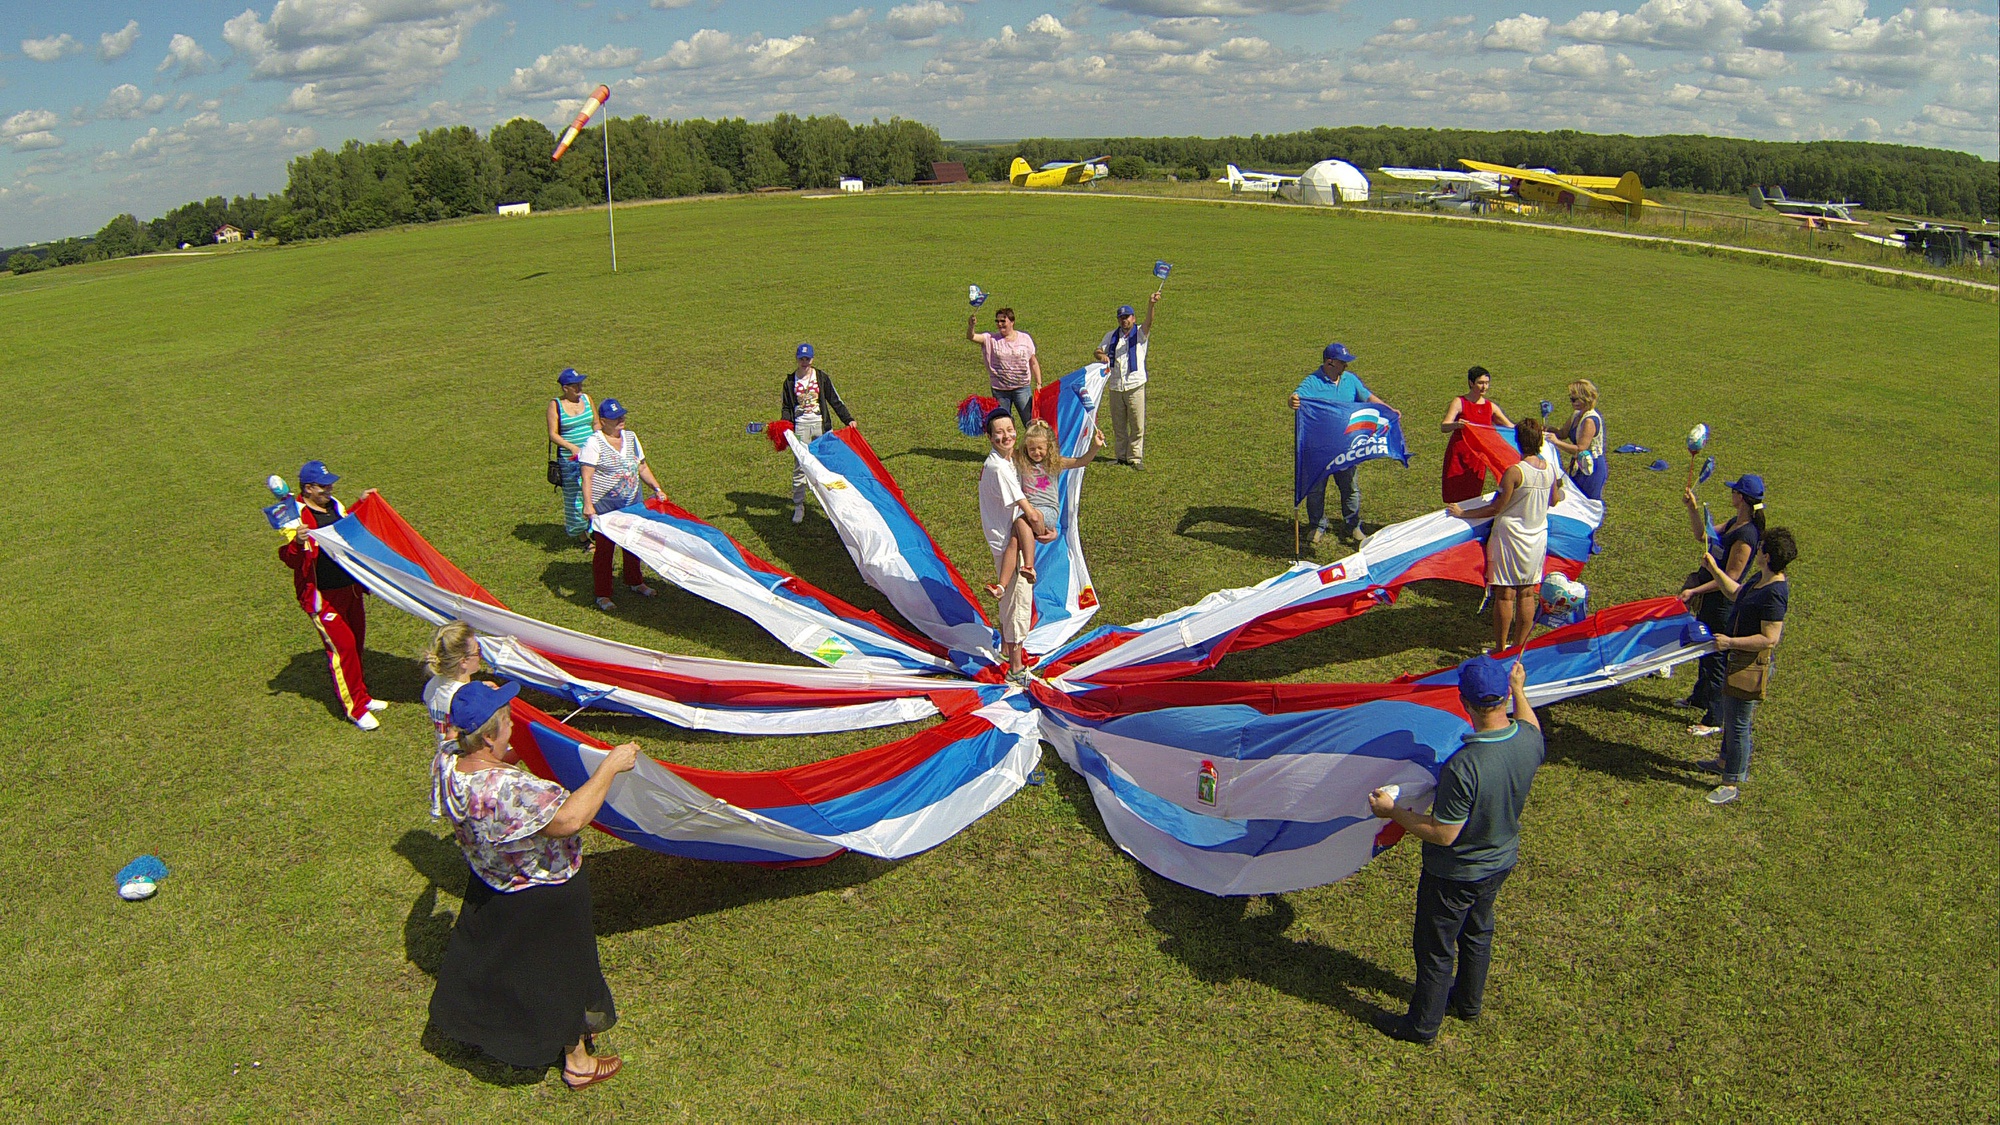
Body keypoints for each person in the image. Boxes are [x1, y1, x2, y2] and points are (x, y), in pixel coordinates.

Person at [427, 680, 638, 1088]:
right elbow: (571, 820)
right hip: (546, 894)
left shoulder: (448, 762)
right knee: (564, 972)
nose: (511, 727)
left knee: (509, 964)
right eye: (506, 721)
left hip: (491, 881)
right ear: (488, 736)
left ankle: (492, 1022)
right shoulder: (516, 792)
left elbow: (496, 763)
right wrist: (610, 766)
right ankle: (578, 1062)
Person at [1370, 655, 1543, 1044]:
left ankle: (1422, 1026)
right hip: (1500, 861)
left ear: (1464, 703)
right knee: (1478, 930)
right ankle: (1467, 1003)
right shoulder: (1529, 740)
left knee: (1435, 949)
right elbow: (1530, 721)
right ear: (1502, 698)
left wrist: (1393, 812)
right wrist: (1519, 689)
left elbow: (1443, 834)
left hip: (1455, 873)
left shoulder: (1464, 767)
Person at [277, 459, 386, 730]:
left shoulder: (333, 504)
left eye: (330, 484)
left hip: (350, 589)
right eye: (324, 486)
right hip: (324, 596)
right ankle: (355, 709)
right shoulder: (297, 515)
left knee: (356, 643)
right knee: (343, 649)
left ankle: (361, 694)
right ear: (309, 488)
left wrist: (361, 504)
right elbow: (289, 558)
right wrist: (298, 542)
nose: (330, 488)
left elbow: (345, 528)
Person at [1447, 417, 1564, 654]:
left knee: (1505, 593)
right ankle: (1519, 647)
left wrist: (1463, 513)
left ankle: (1501, 648)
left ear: (1519, 442)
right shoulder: (1550, 469)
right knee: (1528, 591)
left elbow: (1496, 508)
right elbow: (1554, 500)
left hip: (1510, 536)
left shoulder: (1515, 472)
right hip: (1537, 535)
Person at [1695, 527, 1794, 803]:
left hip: (1749, 666)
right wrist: (1715, 569)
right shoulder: (1760, 580)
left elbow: (1770, 639)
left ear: (1767, 556)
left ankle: (1731, 782)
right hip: (1736, 660)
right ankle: (1724, 762)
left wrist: (1730, 643)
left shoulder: (1775, 592)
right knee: (1731, 717)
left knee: (1738, 724)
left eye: (1761, 548)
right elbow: (1736, 594)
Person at [1677, 474, 1765, 736]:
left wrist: (1694, 589)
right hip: (1710, 601)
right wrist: (1693, 509)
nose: (1731, 495)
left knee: (1716, 658)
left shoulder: (1746, 536)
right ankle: (1699, 698)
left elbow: (1730, 580)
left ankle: (1715, 717)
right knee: (1704, 651)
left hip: (1722, 605)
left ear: (1742, 499)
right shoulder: (1734, 524)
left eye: (1734, 491)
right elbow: (1702, 536)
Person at [988, 419, 1105, 599]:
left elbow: (1082, 461)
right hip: (1029, 513)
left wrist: (1095, 447)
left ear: (1049, 447)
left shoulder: (1054, 462)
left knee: (1022, 520)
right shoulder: (1022, 460)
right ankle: (1001, 587)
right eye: (1032, 448)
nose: (1036, 452)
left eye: (1041, 448)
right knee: (1013, 541)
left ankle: (1029, 566)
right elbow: (1007, 447)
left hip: (1047, 511)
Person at [1290, 342, 1394, 545]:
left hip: (1346, 446)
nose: (1346, 366)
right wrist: (1292, 400)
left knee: (1350, 487)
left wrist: (1388, 409)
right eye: (1342, 362)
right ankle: (1317, 525)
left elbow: (1368, 397)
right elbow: (1296, 397)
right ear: (1330, 363)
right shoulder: (1312, 382)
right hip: (1319, 448)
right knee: (1316, 489)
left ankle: (1353, 524)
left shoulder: (1350, 380)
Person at [577, 398, 667, 612]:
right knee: (605, 552)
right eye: (616, 418)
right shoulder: (594, 443)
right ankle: (603, 594)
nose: (621, 420)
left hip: (631, 505)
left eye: (622, 416)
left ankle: (635, 581)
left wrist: (657, 488)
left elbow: (642, 467)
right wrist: (588, 505)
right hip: (606, 509)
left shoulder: (631, 438)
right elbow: (587, 476)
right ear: (603, 420)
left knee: (633, 544)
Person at [978, 412, 1037, 683]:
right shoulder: (999, 468)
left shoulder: (1002, 461)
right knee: (1018, 604)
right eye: (999, 433)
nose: (1007, 436)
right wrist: (1042, 528)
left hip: (1003, 539)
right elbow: (1025, 508)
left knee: (1008, 600)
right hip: (1007, 542)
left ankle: (1004, 649)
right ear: (989, 437)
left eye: (1010, 429)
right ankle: (1015, 667)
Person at [779, 343, 857, 524]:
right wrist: (786, 427)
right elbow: (786, 407)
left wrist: (848, 419)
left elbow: (834, 400)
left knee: (827, 468)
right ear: (796, 359)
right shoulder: (790, 381)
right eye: (801, 359)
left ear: (812, 359)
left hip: (821, 427)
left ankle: (834, 507)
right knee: (800, 467)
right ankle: (799, 506)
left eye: (807, 359)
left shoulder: (821, 377)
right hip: (800, 429)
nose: (804, 362)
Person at [1092, 292, 1160, 469]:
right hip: (1115, 386)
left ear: (1133, 318)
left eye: (1127, 317)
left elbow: (1149, 323)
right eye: (1121, 318)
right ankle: (1121, 456)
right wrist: (1102, 356)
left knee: (1137, 424)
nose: (1124, 321)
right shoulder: (1111, 336)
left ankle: (1135, 457)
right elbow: (1098, 350)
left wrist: (1151, 305)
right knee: (1119, 424)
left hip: (1134, 384)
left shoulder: (1139, 333)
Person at [1439, 366, 1515, 503]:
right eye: (1480, 383)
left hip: (1478, 457)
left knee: (1473, 494)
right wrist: (1457, 425)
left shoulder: (1490, 406)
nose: (1484, 387)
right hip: (1459, 456)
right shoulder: (1459, 402)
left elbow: (1510, 427)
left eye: (1486, 383)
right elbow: (1444, 426)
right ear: (1471, 383)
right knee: (1454, 493)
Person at [966, 307, 1041, 430]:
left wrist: (1039, 383)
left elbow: (1033, 362)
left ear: (1012, 322)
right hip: (1000, 390)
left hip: (1022, 388)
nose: (999, 324)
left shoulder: (1025, 339)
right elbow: (971, 337)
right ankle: (1007, 449)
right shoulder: (991, 339)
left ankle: (1032, 448)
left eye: (1003, 321)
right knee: (1003, 425)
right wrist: (971, 326)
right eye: (997, 321)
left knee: (1030, 423)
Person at [546, 369, 598, 543]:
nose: (579, 387)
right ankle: (583, 537)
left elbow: (596, 424)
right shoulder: (556, 405)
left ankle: (597, 528)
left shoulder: (587, 399)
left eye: (580, 383)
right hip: (570, 460)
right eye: (575, 385)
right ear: (565, 388)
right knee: (575, 498)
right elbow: (553, 434)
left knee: (596, 492)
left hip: (592, 456)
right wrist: (572, 447)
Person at [421, 621, 484, 752]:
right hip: (469, 760)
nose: (480, 656)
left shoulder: (432, 686)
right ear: (464, 662)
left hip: (446, 756)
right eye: (478, 651)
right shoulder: (468, 700)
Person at [1546, 379, 1607, 502]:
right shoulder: (1576, 415)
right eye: (1571, 399)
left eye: (1575, 399)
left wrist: (1556, 442)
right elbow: (1562, 433)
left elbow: (1580, 448)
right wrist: (1547, 429)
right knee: (1575, 500)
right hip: (1579, 464)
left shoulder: (1589, 420)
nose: (1572, 403)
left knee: (1587, 503)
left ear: (1586, 399)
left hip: (1591, 467)